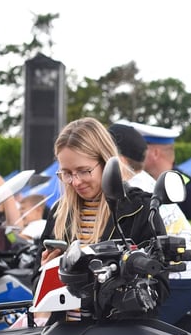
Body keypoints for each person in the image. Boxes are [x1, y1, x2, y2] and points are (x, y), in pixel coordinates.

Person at [38, 117, 168, 322]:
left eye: (84, 171)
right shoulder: (58, 212)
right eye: (67, 173)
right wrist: (48, 272)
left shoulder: (139, 208)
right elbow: (36, 285)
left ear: (107, 162)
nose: (75, 182)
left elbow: (160, 285)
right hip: (63, 331)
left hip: (116, 332)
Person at [108, 121, 191, 323]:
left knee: (135, 329)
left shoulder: (132, 192)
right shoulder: (141, 180)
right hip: (183, 272)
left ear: (119, 160)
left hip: (182, 278)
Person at [140, 126, 191, 269]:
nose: (138, 153)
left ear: (155, 153)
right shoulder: (143, 183)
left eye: (142, 149)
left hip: (183, 273)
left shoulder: (189, 187)